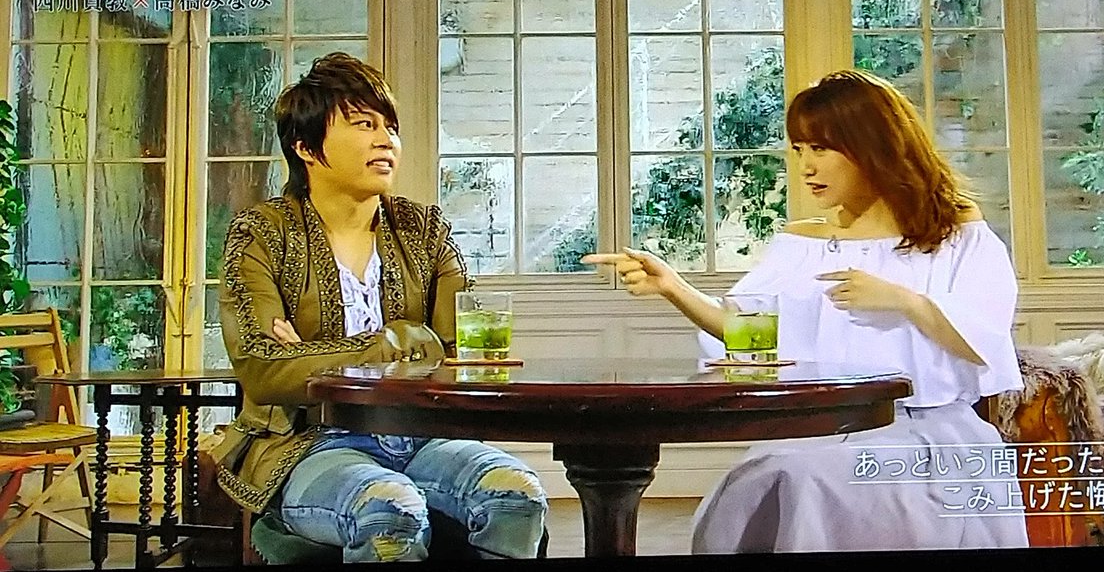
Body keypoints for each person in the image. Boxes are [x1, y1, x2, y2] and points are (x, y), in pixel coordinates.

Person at [583, 68, 1029, 554]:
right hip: (820, 428)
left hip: (924, 434)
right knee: (760, 480)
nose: (806, 167)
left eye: (820, 149)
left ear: (871, 146)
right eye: (799, 149)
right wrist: (674, 288)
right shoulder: (802, 241)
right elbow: (751, 331)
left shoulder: (953, 232)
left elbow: (985, 338)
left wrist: (904, 301)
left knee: (801, 480)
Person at [210, 52, 549, 563]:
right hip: (310, 444)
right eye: (364, 124)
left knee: (518, 496)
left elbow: (461, 350)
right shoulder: (263, 233)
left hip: (424, 435)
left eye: (390, 126)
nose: (385, 139)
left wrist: (315, 357)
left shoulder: (423, 229)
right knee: (390, 510)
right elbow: (264, 370)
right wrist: (394, 343)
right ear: (305, 146)